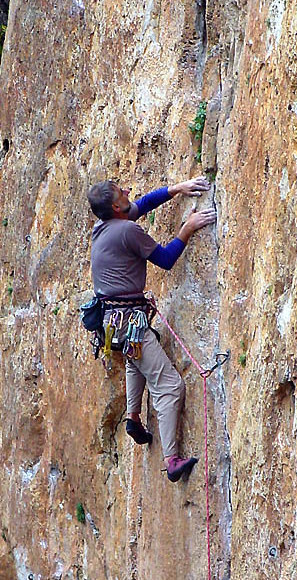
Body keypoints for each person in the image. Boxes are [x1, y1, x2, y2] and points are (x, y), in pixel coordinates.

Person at [88, 176, 216, 482]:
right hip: (127, 321)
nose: (128, 191)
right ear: (116, 207)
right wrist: (188, 227)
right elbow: (166, 259)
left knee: (137, 357)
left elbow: (142, 204)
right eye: (121, 193)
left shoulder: (103, 226)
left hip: (111, 323)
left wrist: (177, 189)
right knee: (170, 386)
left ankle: (133, 417)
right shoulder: (127, 231)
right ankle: (172, 460)